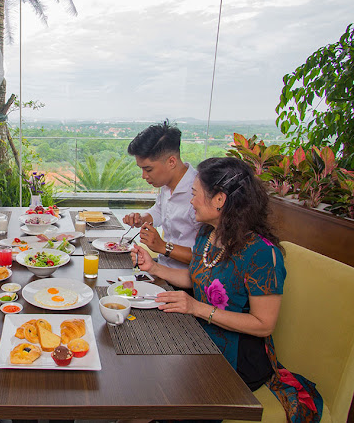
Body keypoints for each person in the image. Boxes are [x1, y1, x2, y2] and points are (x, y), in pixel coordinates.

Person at [132, 157, 323, 422]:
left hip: (235, 360)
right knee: (142, 370)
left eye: (196, 194)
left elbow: (263, 324)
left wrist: (197, 308)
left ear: (220, 200)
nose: (191, 201)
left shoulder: (261, 254)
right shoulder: (207, 233)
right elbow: (198, 277)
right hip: (199, 340)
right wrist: (153, 267)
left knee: (162, 398)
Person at [123, 120, 201, 269]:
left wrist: (163, 247)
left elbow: (206, 257)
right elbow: (159, 211)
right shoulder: (167, 185)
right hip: (163, 269)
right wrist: (141, 219)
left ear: (171, 162)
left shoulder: (200, 194)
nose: (144, 176)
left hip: (187, 282)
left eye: (148, 169)